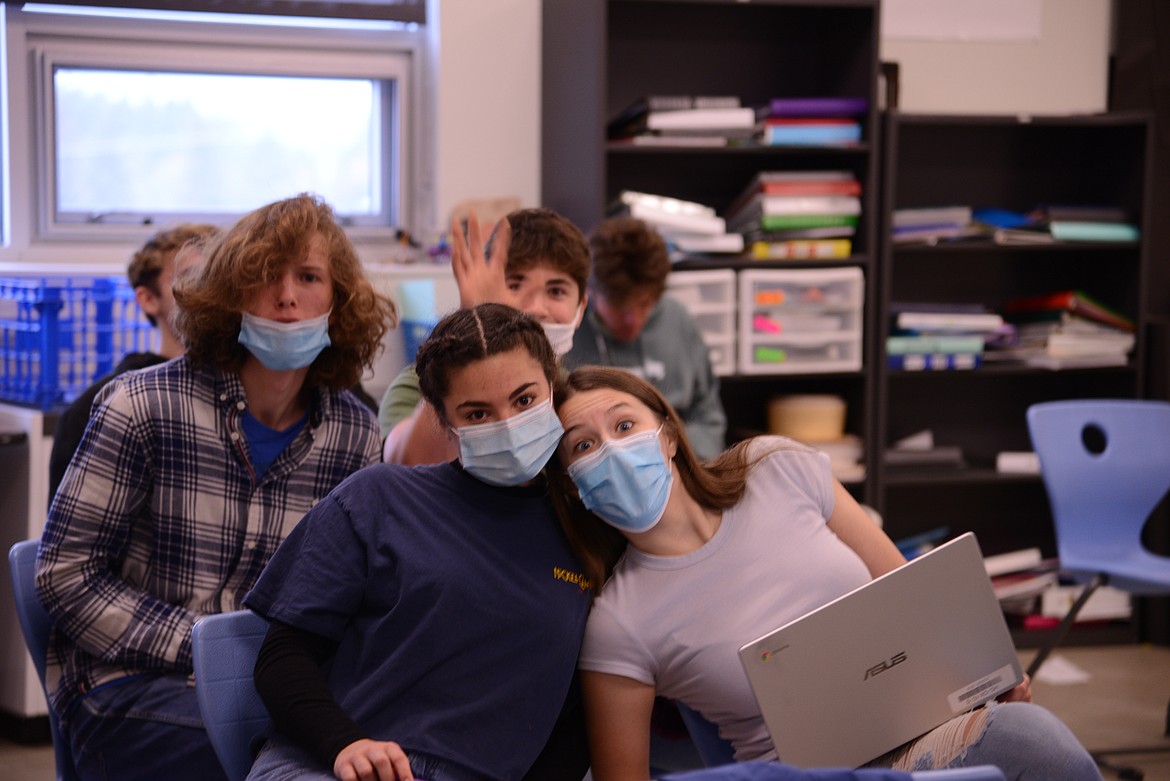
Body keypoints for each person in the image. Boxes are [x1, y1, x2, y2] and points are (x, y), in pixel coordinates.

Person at [545, 365, 1103, 781]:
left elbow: (909, 589)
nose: (613, 451)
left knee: (1036, 741)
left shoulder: (775, 467)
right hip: (802, 775)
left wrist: (981, 671)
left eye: (624, 424)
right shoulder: (618, 623)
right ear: (574, 485)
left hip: (919, 725)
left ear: (667, 435)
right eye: (585, 446)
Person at [36, 193, 397, 781]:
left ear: (337, 302)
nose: (286, 296)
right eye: (264, 277)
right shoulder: (141, 405)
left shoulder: (354, 434)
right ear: (229, 294)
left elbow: (346, 598)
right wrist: (208, 649)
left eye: (308, 277)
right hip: (128, 685)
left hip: (272, 689)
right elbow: (65, 575)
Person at [243, 302, 592, 781]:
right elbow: (282, 659)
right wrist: (345, 745)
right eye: (477, 413)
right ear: (446, 423)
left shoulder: (585, 533)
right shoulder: (376, 499)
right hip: (329, 764)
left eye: (525, 400)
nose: (508, 423)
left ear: (553, 389)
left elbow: (573, 719)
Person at [379, 206, 591, 465]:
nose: (536, 308)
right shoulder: (417, 384)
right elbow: (405, 465)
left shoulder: (578, 393)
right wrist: (477, 327)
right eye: (514, 285)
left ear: (581, 308)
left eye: (556, 291)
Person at [47, 222, 219, 503]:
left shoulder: (248, 391)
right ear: (148, 299)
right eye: (194, 277)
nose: (211, 293)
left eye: (220, 277)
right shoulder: (98, 408)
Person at [563, 216, 726, 459]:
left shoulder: (678, 319)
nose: (634, 320)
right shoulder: (567, 333)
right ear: (590, 292)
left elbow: (709, 419)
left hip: (681, 461)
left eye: (645, 304)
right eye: (620, 308)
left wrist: (669, 454)